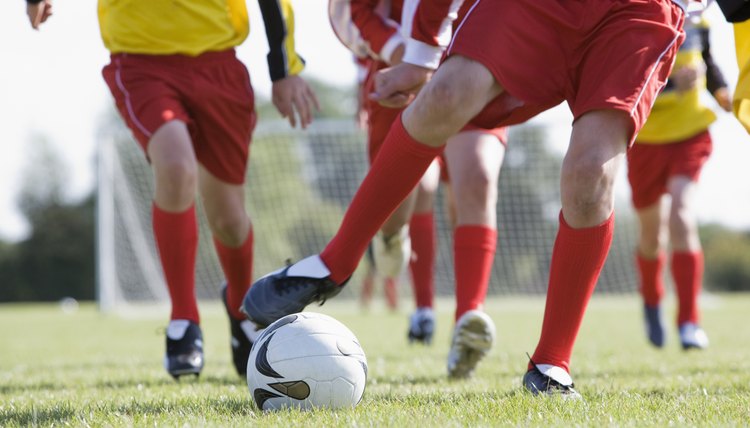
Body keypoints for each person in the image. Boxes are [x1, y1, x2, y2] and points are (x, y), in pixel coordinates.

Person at [243, 0, 686, 397]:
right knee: (447, 97)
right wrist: (415, 54)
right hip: (449, 41)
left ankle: (549, 362)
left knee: (587, 177)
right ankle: (334, 263)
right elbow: (351, 13)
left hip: (637, 10)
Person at [26, 0, 320, 379]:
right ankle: (184, 321)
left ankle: (241, 310)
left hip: (220, 66)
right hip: (141, 62)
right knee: (177, 168)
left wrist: (283, 70)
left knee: (229, 219)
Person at [330, 0, 508, 377]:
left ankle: (466, 324)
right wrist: (406, 54)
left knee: (476, 177)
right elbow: (353, 13)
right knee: (418, 186)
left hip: (475, 62)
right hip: (400, 73)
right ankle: (395, 242)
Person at [627, 7, 730, 351]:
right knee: (651, 235)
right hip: (644, 140)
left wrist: (723, 92)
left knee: (682, 218)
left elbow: (708, 63)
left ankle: (689, 322)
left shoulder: (698, 16)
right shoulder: (635, 15)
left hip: (691, 132)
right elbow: (629, 81)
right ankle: (652, 300)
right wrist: (672, 84)